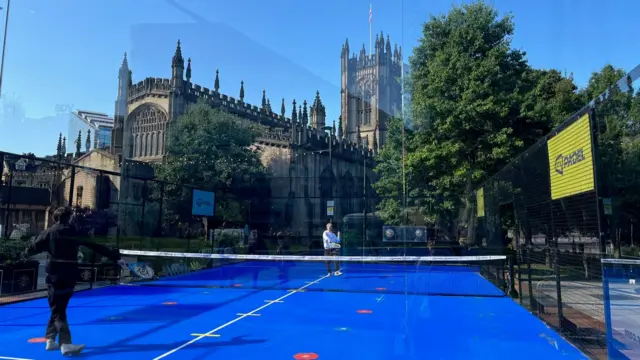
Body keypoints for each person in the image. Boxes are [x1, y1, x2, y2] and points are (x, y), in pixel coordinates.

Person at [22, 206, 126, 356]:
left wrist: (28, 250)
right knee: (60, 307)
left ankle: (52, 340)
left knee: (58, 307)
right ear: (70, 217)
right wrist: (116, 257)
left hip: (55, 274)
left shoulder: (49, 232)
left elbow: (31, 249)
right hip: (70, 274)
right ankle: (64, 343)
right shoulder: (75, 232)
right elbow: (96, 246)